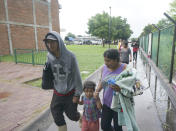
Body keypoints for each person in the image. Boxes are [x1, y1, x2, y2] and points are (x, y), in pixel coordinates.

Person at [42, 31, 83, 131]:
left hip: (70, 91)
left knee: (72, 116)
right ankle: (62, 128)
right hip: (57, 91)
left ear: (59, 42)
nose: (50, 45)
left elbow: (77, 77)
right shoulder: (49, 56)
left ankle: (81, 115)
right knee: (55, 112)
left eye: (53, 42)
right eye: (48, 42)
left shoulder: (71, 56)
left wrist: (77, 95)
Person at [94, 49, 139, 131]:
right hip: (107, 103)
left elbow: (132, 85)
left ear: (116, 60)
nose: (105, 63)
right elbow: (102, 81)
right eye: (104, 60)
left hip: (119, 104)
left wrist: (120, 88)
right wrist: (97, 91)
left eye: (108, 61)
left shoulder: (125, 68)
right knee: (104, 125)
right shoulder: (104, 68)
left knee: (118, 127)